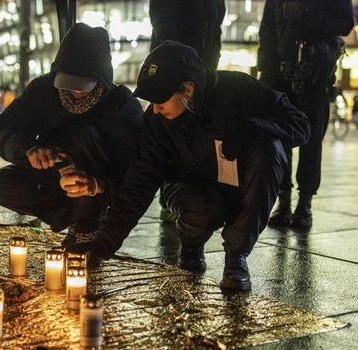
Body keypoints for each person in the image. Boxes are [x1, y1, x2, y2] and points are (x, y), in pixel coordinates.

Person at [68, 41, 310, 292]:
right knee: (200, 210)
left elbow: (301, 125)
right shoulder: (157, 121)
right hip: (190, 187)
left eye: (161, 101)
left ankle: (236, 258)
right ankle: (192, 245)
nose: (156, 110)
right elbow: (139, 183)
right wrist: (102, 246)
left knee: (269, 149)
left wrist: (254, 128)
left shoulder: (239, 89)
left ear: (188, 89)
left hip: (241, 183)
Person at [0, 23, 144, 247]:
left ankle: (87, 222)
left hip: (97, 182)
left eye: (82, 85)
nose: (74, 91)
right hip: (52, 176)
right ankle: (73, 216)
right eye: (67, 82)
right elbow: (5, 127)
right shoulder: (43, 89)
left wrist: (98, 186)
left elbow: (133, 170)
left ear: (101, 78)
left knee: (82, 134)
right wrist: (28, 150)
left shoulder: (122, 106)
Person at [259, 0, 354, 228]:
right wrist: (265, 72)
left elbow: (345, 24)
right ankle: (283, 200)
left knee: (312, 141)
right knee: (281, 138)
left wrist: (304, 13)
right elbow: (268, 30)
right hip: (281, 75)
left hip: (317, 75)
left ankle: (305, 202)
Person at [149, 0, 226, 223]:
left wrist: (209, 66)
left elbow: (214, 26)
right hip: (174, 70)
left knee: (193, 133)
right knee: (170, 132)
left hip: (201, 69)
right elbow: (163, 24)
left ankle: (188, 194)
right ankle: (170, 197)